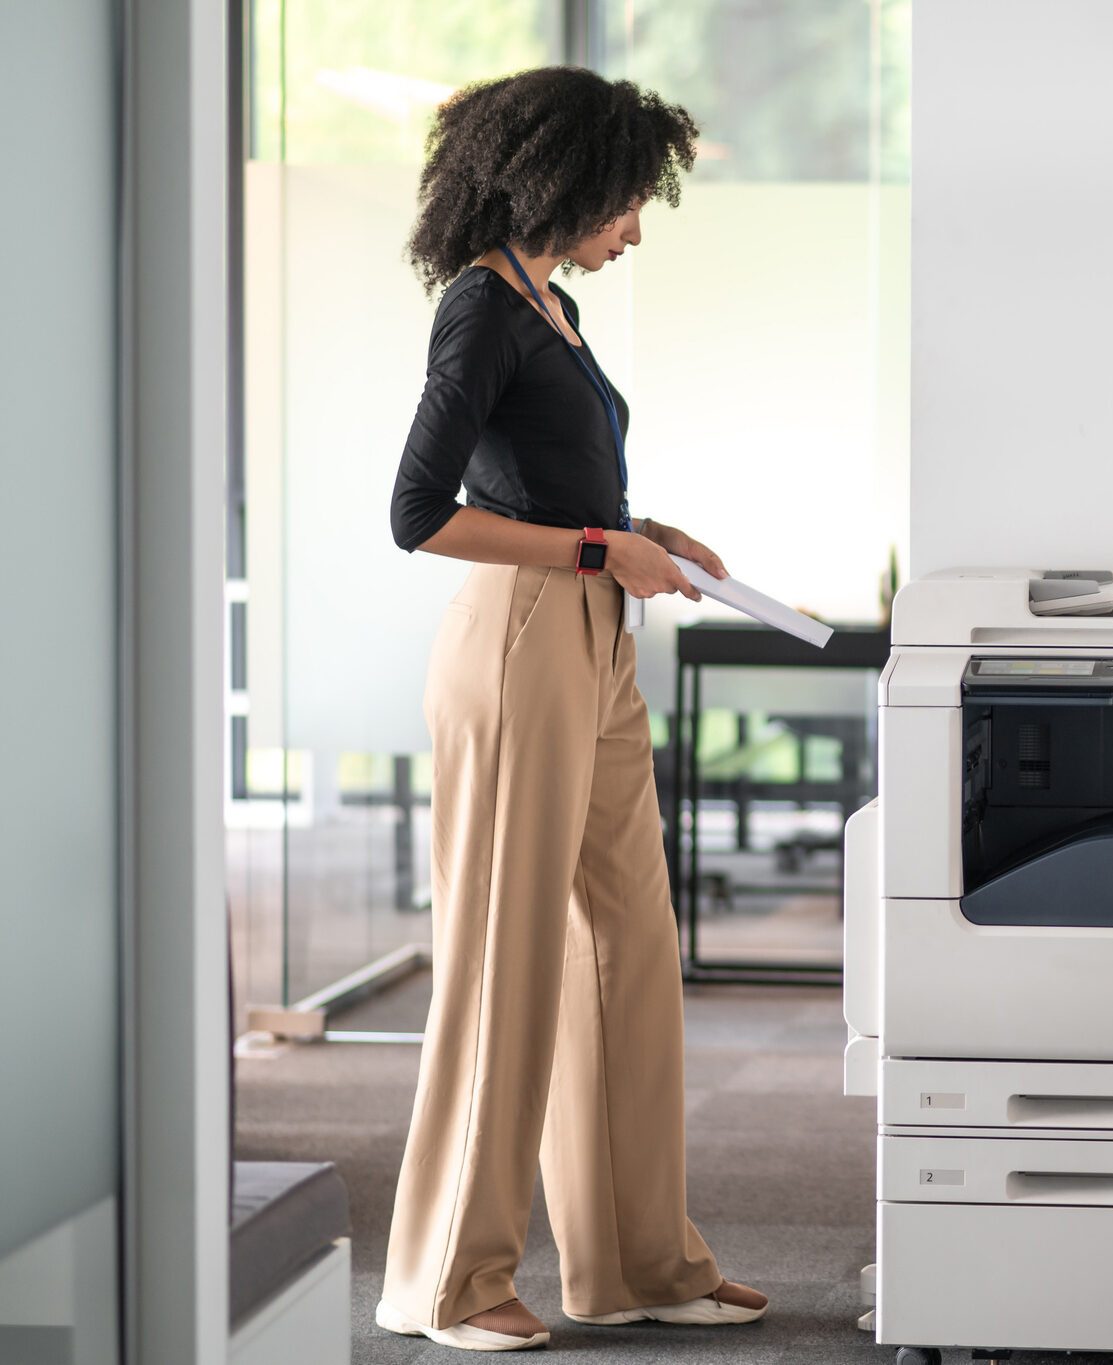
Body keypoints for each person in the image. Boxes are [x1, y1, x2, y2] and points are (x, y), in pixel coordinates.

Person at [374, 66, 767, 1352]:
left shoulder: (557, 309)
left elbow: (543, 483)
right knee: (508, 958)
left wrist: (643, 533)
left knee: (629, 951)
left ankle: (638, 1258)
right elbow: (421, 514)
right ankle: (450, 1281)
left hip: (595, 639)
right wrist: (601, 554)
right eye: (626, 202)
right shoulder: (480, 310)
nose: (635, 227)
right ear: (564, 181)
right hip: (523, 640)